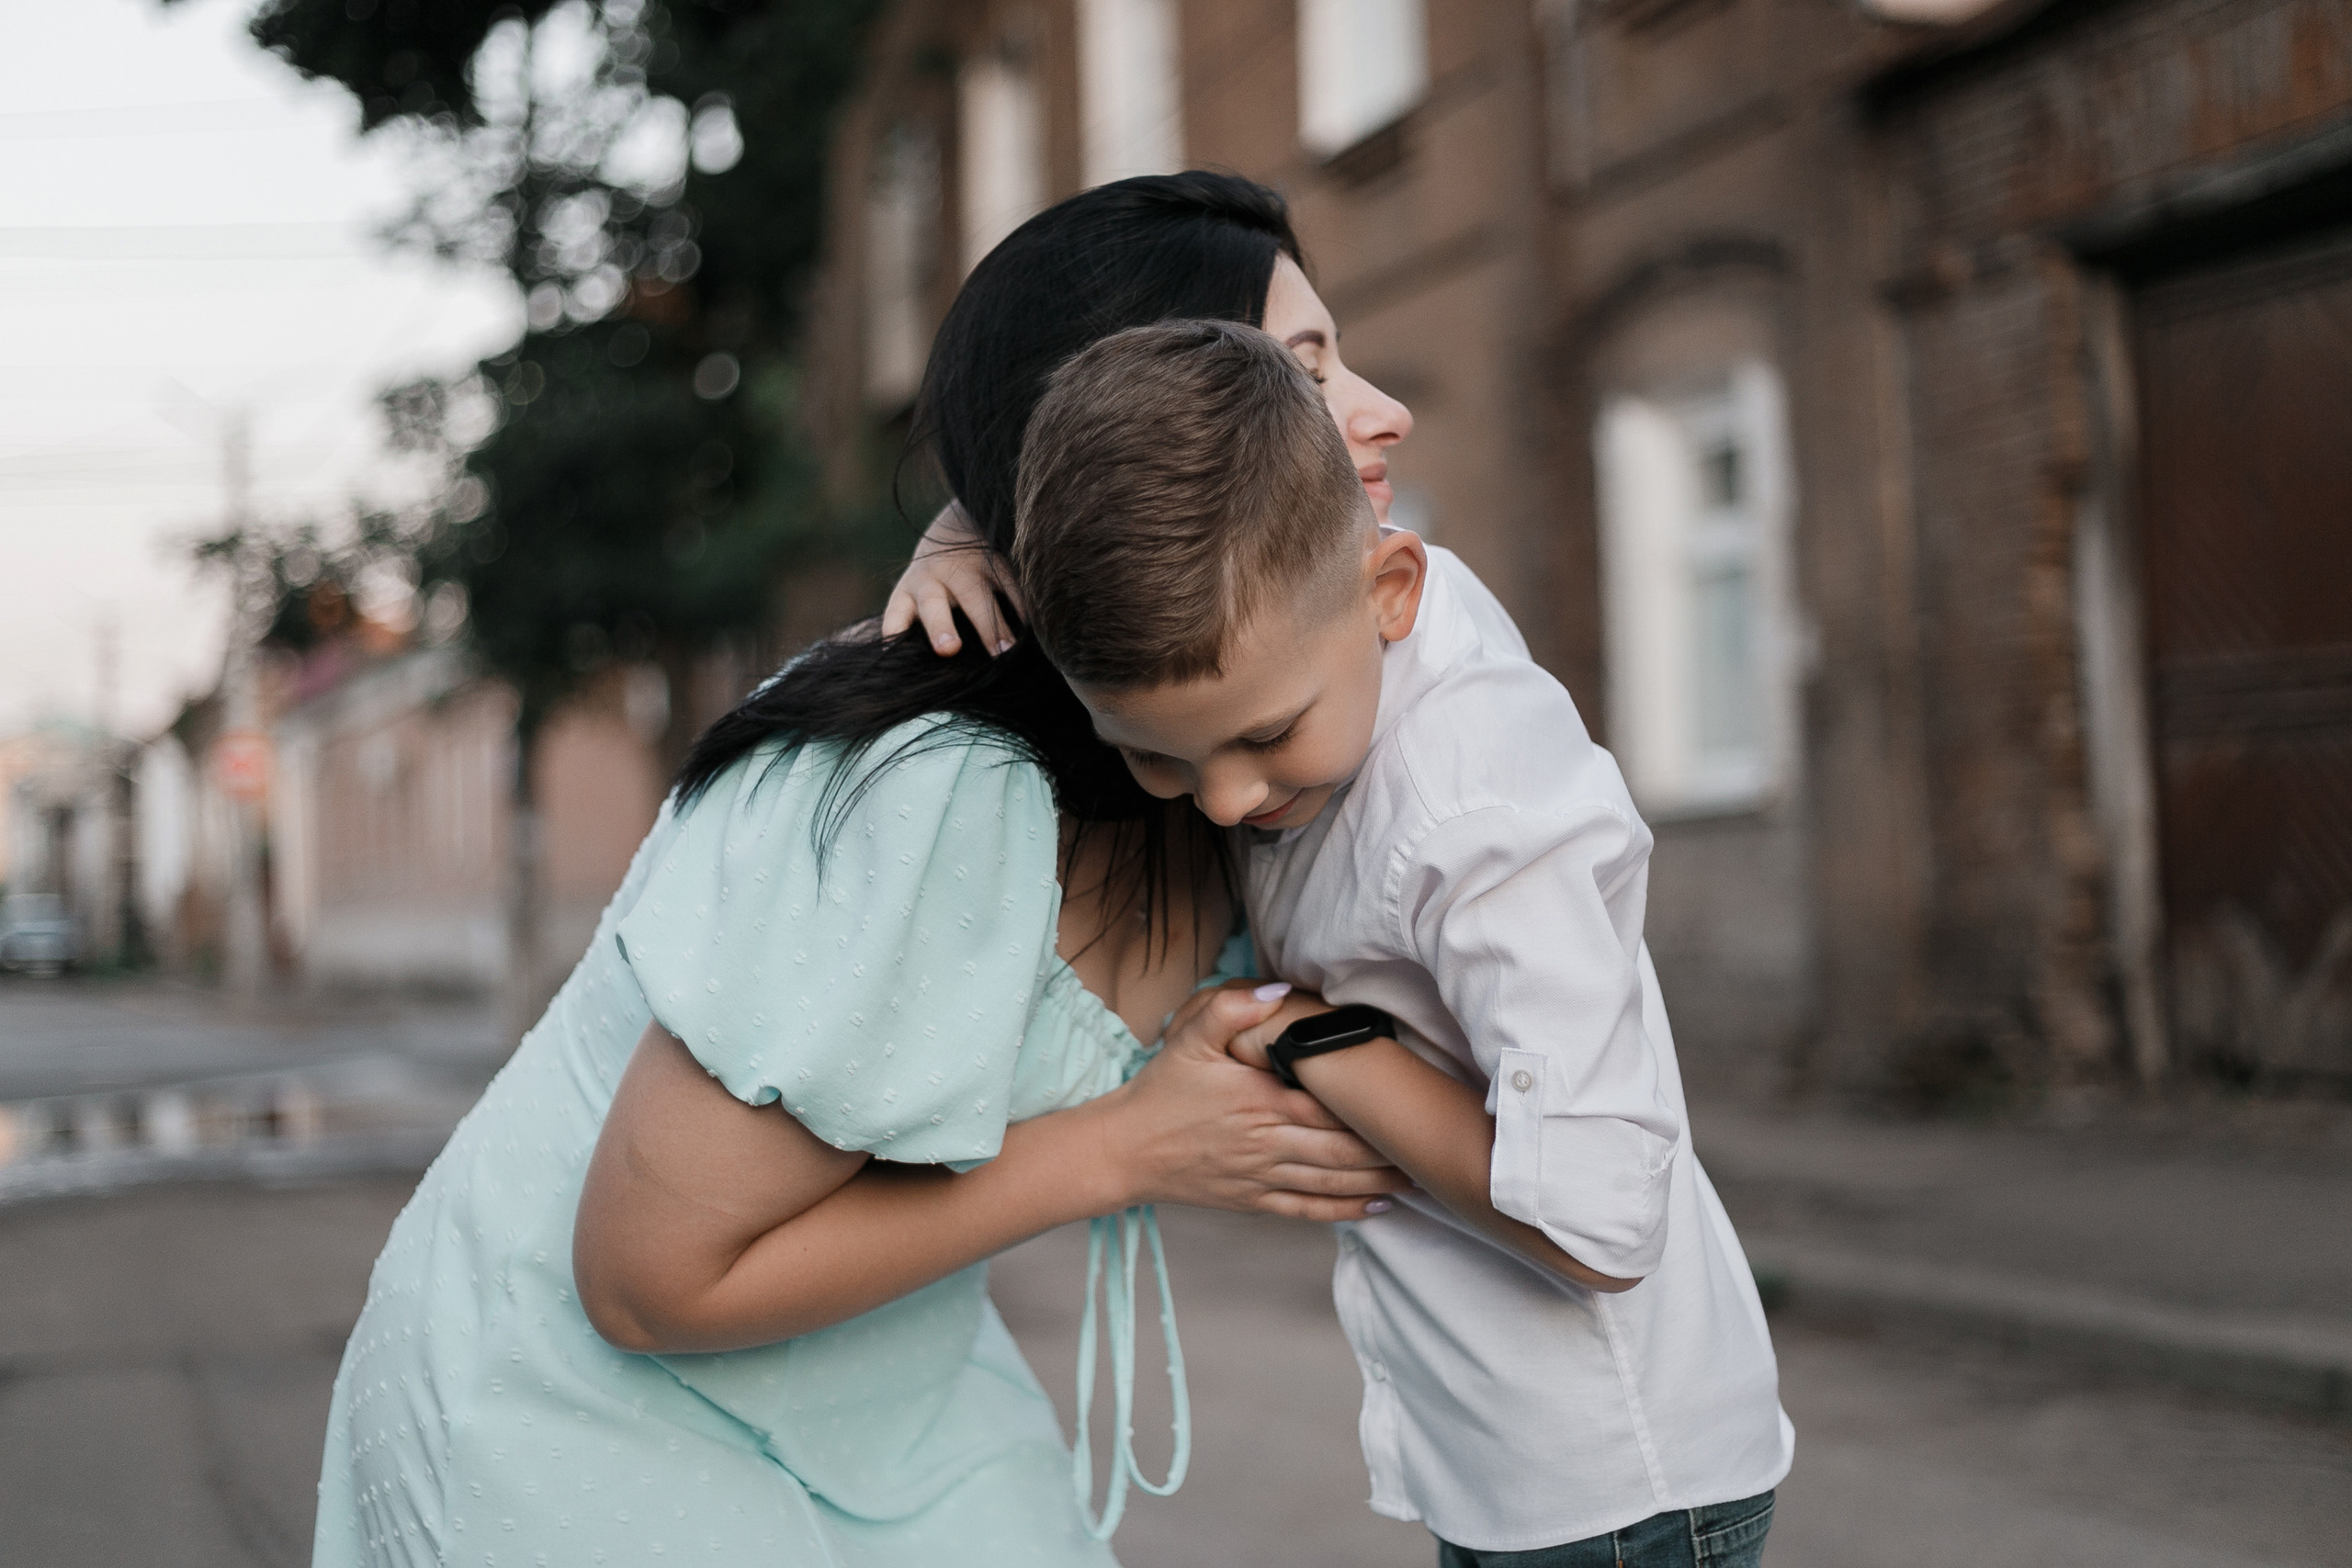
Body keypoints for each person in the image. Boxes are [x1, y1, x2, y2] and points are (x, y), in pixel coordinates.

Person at [309, 174, 1409, 1568]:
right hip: (569, 1409)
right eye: (1306, 372)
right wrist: (1134, 1144)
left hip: (860, 1384)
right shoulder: (940, 788)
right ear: (1145, 440)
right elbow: (644, 1280)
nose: (1384, 412)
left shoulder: (1239, 732)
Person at [1001, 318, 1795, 1567]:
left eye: (1266, 736)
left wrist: (1313, 1040)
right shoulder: (1329, 613)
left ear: (1394, 595)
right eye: (1158, 754)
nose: (1222, 801)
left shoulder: (1476, 818)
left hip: (1614, 1490)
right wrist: (956, 546)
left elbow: (1602, 1226)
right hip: (1504, 1457)